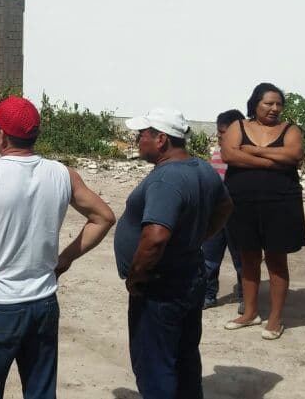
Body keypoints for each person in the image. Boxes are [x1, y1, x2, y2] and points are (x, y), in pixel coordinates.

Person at [0, 96, 116, 399]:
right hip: (44, 303)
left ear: (1, 135)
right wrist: (64, 260)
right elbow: (104, 217)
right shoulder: (63, 174)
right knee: (40, 391)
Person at [116, 108, 233, 399]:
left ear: (161, 139)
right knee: (184, 359)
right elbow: (225, 207)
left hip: (160, 285)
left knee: (155, 366)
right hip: (188, 275)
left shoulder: (166, 180)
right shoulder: (202, 168)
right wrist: (196, 238)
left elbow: (155, 237)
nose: (137, 140)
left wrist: (136, 277)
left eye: (141, 135)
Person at [221, 83, 305, 340]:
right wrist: (272, 161)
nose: (274, 108)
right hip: (242, 201)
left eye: (278, 103)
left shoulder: (290, 130)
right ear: (256, 103)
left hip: (281, 202)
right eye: (268, 103)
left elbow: (294, 154)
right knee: (248, 257)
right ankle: (250, 313)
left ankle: (275, 318)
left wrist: (254, 151)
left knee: (277, 259)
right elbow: (229, 155)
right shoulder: (238, 127)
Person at [202, 109, 245, 312]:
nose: (219, 136)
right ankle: (208, 295)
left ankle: (246, 297)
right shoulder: (217, 153)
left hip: (238, 217)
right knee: (209, 258)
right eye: (218, 131)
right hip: (215, 214)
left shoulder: (245, 156)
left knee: (242, 260)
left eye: (224, 132)